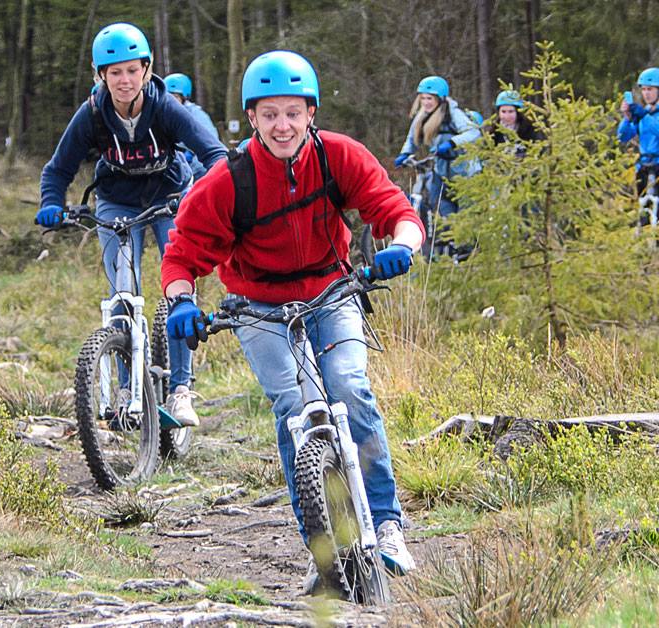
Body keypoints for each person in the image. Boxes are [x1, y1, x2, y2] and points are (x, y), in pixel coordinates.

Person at [160, 50, 423, 587]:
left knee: (349, 386)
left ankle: (388, 524)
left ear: (311, 114)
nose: (283, 125)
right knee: (296, 408)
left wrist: (402, 246)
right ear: (252, 119)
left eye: (293, 112)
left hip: (332, 289)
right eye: (270, 114)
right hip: (257, 306)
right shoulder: (228, 181)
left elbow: (395, 209)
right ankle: (320, 546)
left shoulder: (339, 157)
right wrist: (182, 301)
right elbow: (183, 253)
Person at [36, 23, 226, 427]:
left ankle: (180, 390)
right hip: (116, 201)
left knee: (178, 288)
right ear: (100, 75)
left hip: (171, 197)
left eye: (131, 70)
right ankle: (125, 389)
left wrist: (213, 192)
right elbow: (57, 170)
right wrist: (51, 203)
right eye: (114, 72)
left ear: (146, 68)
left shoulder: (165, 107)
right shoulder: (91, 114)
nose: (124, 80)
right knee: (122, 291)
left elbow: (214, 154)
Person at [393, 76, 480, 258]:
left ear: (439, 99)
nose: (426, 102)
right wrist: (404, 154)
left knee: (464, 213)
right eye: (423, 98)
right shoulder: (422, 115)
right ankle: (448, 251)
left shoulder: (452, 112)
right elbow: (412, 138)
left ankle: (467, 252)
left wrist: (453, 143)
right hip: (441, 171)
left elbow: (473, 132)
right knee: (441, 209)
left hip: (464, 173)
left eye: (429, 99)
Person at [164, 72, 220, 179]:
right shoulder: (161, 115)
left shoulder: (197, 116)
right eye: (168, 97)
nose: (171, 102)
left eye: (175, 97)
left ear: (184, 98)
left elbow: (210, 147)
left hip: (196, 174)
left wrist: (190, 175)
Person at [619, 68, 659, 200]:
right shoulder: (644, 113)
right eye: (644, 89)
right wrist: (627, 118)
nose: (646, 93)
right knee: (644, 212)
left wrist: (643, 116)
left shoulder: (645, 115)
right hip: (644, 167)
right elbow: (622, 137)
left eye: (650, 89)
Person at [488, 89, 541, 155]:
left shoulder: (530, 129)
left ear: (518, 112)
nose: (507, 116)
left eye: (511, 111)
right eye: (503, 111)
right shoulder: (494, 132)